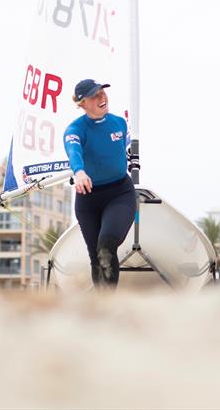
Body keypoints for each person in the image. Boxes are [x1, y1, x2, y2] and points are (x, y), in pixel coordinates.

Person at [63, 79, 135, 288]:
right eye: (95, 95)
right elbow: (74, 151)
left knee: (106, 246)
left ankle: (108, 304)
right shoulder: (74, 130)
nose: (102, 97)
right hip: (88, 198)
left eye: (102, 92)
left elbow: (121, 151)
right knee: (96, 258)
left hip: (120, 193)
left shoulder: (119, 123)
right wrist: (80, 172)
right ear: (81, 103)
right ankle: (103, 305)